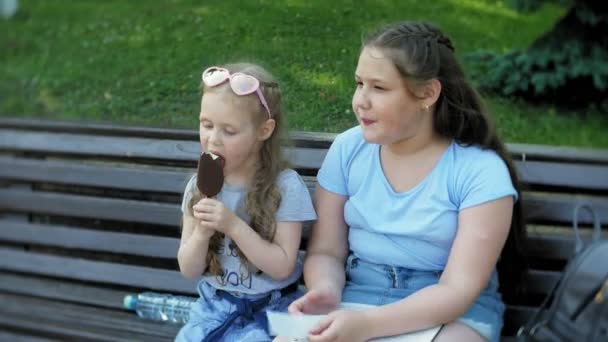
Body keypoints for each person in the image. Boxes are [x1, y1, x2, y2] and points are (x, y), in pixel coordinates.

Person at [287, 21, 527, 342]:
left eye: (379, 87)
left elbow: (457, 290)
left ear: (427, 93)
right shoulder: (348, 150)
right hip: (357, 298)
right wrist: (326, 289)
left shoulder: (479, 171)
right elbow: (327, 251)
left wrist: (367, 326)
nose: (361, 100)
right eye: (359, 83)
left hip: (451, 314)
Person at [176, 63, 317, 342]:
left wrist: (233, 225)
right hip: (214, 308)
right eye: (206, 125)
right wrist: (202, 234)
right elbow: (189, 269)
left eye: (229, 131)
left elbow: (282, 267)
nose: (213, 139)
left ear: (264, 130)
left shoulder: (284, 187)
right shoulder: (198, 186)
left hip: (273, 310)